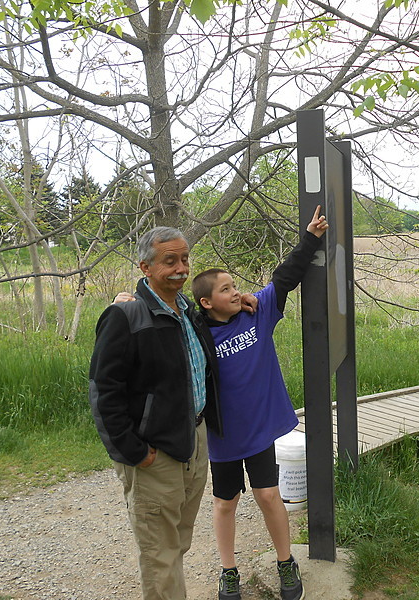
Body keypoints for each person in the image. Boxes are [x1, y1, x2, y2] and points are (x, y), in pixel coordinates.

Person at [89, 226, 255, 600]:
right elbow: (104, 392)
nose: (180, 268)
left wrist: (241, 300)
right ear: (145, 266)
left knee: (176, 541)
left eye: (184, 259)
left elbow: (213, 336)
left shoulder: (189, 313)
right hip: (154, 453)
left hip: (193, 442)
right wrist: (134, 452)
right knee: (161, 554)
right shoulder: (125, 316)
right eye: (169, 261)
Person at [190, 205, 328, 600]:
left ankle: (286, 563)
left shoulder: (258, 315)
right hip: (223, 436)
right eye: (226, 290)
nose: (236, 292)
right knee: (225, 502)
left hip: (259, 429)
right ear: (206, 303)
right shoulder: (199, 336)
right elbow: (171, 313)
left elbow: (283, 279)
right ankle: (227, 571)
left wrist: (310, 238)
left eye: (235, 286)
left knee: (269, 495)